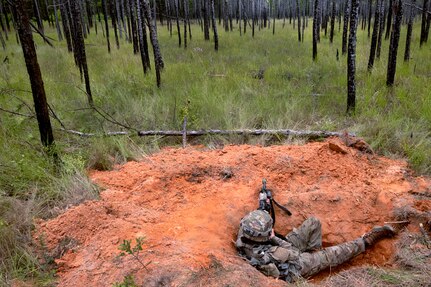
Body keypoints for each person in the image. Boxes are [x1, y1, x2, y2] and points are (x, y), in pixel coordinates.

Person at [236, 209, 396, 282]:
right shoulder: (266, 255)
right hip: (294, 266)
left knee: (313, 222)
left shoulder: (245, 233)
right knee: (334, 254)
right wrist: (274, 238)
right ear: (263, 237)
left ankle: (315, 255)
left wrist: (268, 236)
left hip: (277, 250)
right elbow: (293, 253)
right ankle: (365, 241)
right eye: (269, 229)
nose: (272, 229)